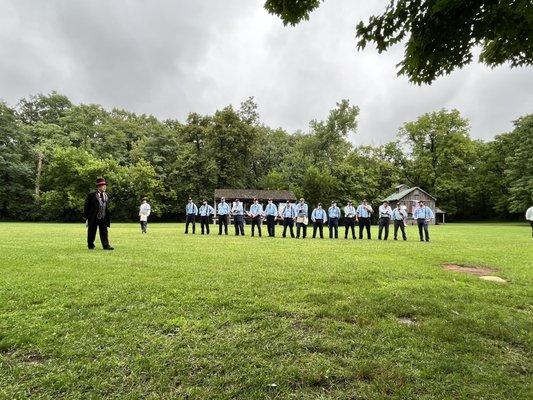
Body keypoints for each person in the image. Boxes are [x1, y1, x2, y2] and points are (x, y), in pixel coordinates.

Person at [83, 177, 113, 250]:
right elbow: (86, 206)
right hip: (93, 217)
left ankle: (106, 245)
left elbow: (106, 207)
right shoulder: (91, 195)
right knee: (91, 231)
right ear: (99, 186)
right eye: (103, 185)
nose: (105, 186)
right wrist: (86, 217)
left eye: (105, 185)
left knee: (104, 231)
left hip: (103, 217)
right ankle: (90, 245)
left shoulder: (106, 195)